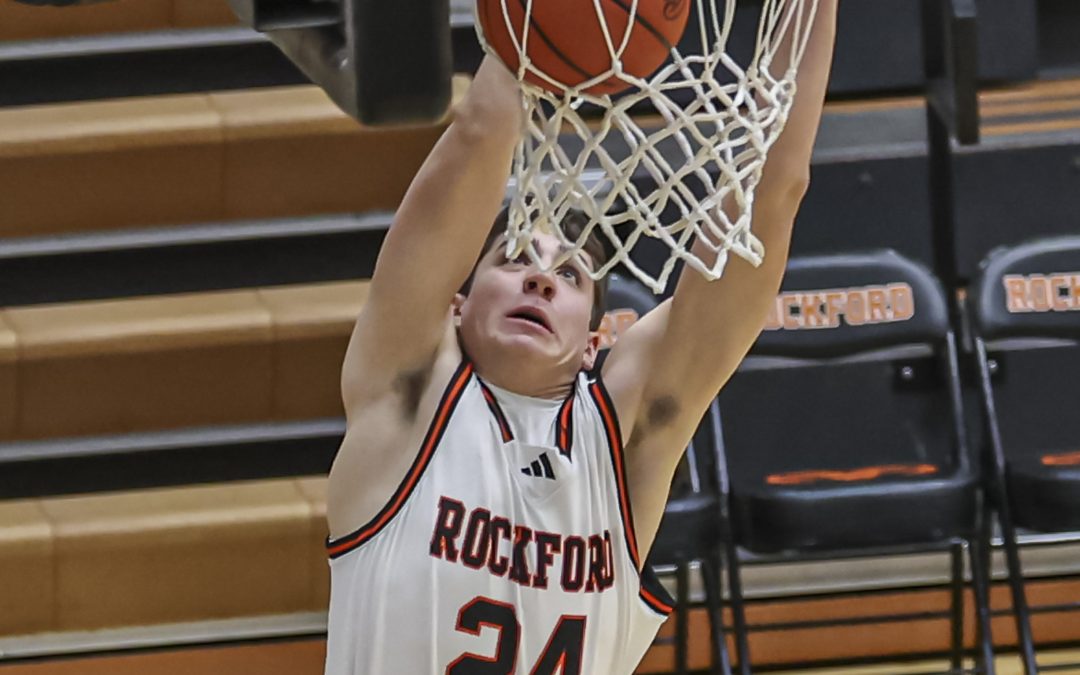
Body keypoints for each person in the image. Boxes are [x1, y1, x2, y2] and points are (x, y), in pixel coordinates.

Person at [324, 2, 838, 672]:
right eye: (513, 259)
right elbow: (483, 128)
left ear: (596, 341)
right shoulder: (405, 398)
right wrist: (539, 22)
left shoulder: (623, 435)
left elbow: (778, 187)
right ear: (455, 304)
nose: (539, 279)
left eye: (569, 274)